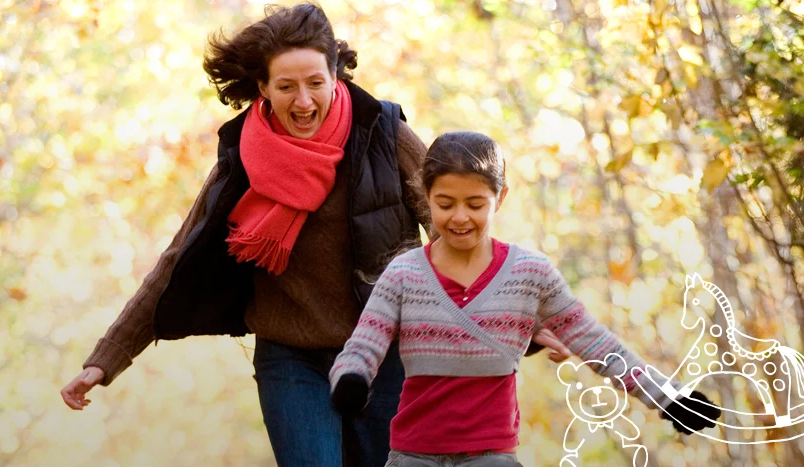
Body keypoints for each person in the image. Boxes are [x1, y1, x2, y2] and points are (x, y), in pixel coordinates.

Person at [59, 4, 571, 466]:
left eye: (314, 83)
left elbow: (458, 233)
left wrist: (529, 319)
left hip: (388, 353)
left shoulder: (381, 133)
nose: (303, 101)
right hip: (292, 357)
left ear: (335, 77)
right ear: (263, 88)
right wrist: (105, 361)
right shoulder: (242, 157)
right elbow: (178, 259)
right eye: (286, 87)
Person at [329, 131, 723, 467]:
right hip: (412, 456)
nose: (460, 217)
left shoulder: (529, 274)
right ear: (425, 196)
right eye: (445, 204)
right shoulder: (404, 274)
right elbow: (365, 344)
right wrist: (351, 379)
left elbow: (594, 342)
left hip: (491, 457)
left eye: (475, 204)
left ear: (499, 199)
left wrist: (669, 397)